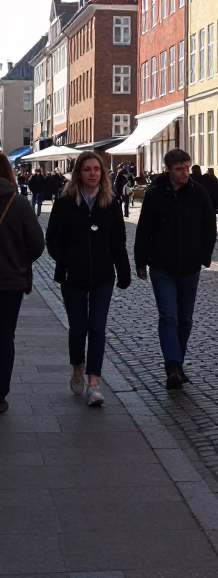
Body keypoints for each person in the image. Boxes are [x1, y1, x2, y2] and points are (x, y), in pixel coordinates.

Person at [46, 152, 132, 407]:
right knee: (78, 328)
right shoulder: (65, 203)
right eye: (87, 169)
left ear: (102, 174)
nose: (92, 173)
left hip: (103, 276)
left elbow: (118, 242)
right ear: (78, 173)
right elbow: (52, 240)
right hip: (73, 276)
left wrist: (123, 270)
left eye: (96, 169)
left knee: (97, 327)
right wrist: (67, 260)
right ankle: (77, 367)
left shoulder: (111, 204)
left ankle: (93, 382)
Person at [134, 148, 217, 390]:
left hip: (190, 266)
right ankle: (173, 364)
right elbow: (144, 230)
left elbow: (209, 227)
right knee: (168, 316)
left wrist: (205, 255)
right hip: (162, 265)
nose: (184, 173)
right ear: (167, 170)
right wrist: (141, 260)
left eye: (187, 167)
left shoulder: (199, 193)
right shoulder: (155, 195)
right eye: (179, 169)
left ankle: (177, 362)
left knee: (186, 319)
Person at [0, 152, 45, 414]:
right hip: (10, 282)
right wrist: (20, 260)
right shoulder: (18, 203)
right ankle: (1, 393)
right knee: (5, 337)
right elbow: (38, 244)